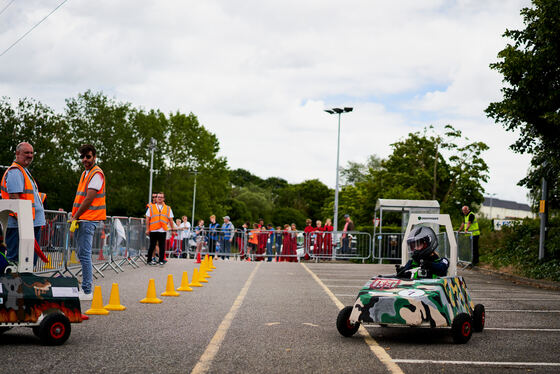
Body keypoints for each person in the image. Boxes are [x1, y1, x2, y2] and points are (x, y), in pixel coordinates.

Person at [69, 144, 106, 300]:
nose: (85, 159)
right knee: (82, 254)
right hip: (83, 218)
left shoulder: (96, 173)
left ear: (95, 157)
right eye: (82, 157)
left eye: (88, 156)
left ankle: (87, 290)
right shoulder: (86, 173)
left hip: (87, 219)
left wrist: (76, 216)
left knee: (84, 255)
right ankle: (85, 288)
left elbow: (89, 198)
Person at [1, 142, 46, 264]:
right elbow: (14, 198)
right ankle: (13, 282)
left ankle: (23, 282)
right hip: (20, 225)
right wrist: (23, 221)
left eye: (31, 153)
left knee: (28, 261)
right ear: (17, 153)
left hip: (27, 223)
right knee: (16, 261)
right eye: (26, 152)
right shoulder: (15, 171)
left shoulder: (23, 171)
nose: (30, 155)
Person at [145, 192, 174, 266]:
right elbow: (147, 219)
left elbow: (171, 220)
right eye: (158, 197)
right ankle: (149, 260)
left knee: (162, 246)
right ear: (156, 198)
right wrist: (147, 229)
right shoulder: (151, 207)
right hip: (153, 229)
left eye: (161, 197)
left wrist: (173, 230)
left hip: (162, 229)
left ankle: (161, 260)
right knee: (152, 245)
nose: (159, 198)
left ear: (163, 198)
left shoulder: (168, 208)